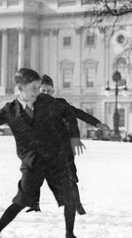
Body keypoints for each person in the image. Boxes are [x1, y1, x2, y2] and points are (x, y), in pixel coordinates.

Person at [0, 67, 84, 238]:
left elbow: (68, 112)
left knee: (69, 198)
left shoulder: (46, 102)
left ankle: (70, 234)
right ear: (20, 88)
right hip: (32, 162)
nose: (37, 92)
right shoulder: (10, 110)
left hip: (54, 158)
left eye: (39, 87)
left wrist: (74, 136)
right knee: (21, 201)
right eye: (33, 88)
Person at [39, 74, 110, 214]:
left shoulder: (60, 104)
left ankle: (78, 206)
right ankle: (34, 206)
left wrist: (97, 123)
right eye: (43, 91)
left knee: (70, 177)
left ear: (53, 91)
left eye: (48, 91)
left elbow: (78, 113)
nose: (46, 94)